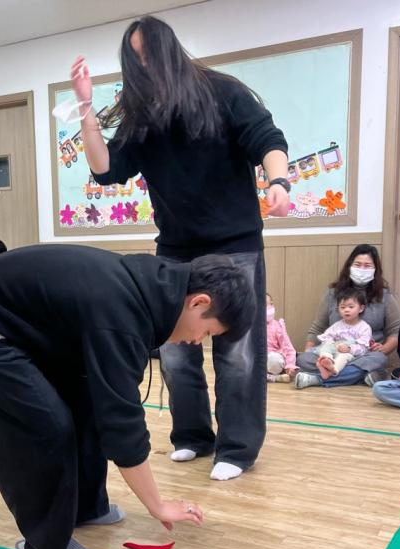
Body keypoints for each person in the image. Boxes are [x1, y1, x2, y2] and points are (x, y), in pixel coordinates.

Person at [0, 246, 252, 549]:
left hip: (18, 324)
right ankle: (48, 546)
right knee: (48, 428)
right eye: (207, 332)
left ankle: (86, 508)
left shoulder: (155, 291)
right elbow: (123, 424)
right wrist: (157, 504)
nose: (197, 340)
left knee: (88, 404)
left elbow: (112, 403)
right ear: (198, 302)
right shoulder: (125, 315)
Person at [71, 15, 290, 481]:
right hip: (174, 248)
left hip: (235, 243)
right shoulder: (141, 115)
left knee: (238, 351)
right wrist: (86, 108)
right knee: (173, 348)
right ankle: (192, 435)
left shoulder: (222, 92)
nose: (144, 66)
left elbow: (267, 139)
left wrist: (279, 181)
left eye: (149, 54)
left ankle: (238, 447)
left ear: (170, 50)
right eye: (135, 60)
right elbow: (106, 169)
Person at [295, 245, 400, 389]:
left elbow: (395, 331)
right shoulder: (332, 293)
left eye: (367, 266)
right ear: (349, 266)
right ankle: (360, 375)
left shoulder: (384, 296)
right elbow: (317, 328)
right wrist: (311, 350)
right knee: (303, 359)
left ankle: (317, 379)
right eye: (357, 265)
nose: (362, 269)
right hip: (333, 352)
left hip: (364, 354)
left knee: (379, 359)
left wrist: (384, 348)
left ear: (375, 269)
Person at [304, 289, 372, 382]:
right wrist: (333, 344)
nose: (346, 310)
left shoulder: (364, 327)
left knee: (344, 356)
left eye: (351, 307)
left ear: (361, 308)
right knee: (320, 349)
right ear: (338, 309)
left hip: (350, 355)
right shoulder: (337, 325)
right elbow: (327, 337)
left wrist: (350, 349)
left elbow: (363, 348)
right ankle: (326, 361)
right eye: (342, 307)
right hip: (333, 352)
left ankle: (333, 370)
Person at [265, 293, 296, 383]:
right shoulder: (250, 326)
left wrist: (290, 366)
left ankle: (269, 376)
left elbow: (288, 348)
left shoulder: (277, 326)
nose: (270, 307)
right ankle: (274, 378)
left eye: (271, 304)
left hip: (271, 359)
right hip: (255, 360)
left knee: (274, 360)